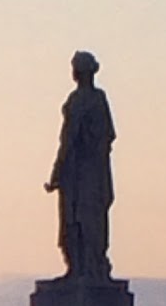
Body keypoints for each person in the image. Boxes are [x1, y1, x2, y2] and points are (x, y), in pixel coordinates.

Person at [45, 51, 115, 279]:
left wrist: (57, 172)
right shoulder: (95, 99)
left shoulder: (81, 101)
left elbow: (69, 140)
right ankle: (82, 268)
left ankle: (85, 268)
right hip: (88, 172)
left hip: (81, 173)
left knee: (80, 219)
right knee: (83, 219)